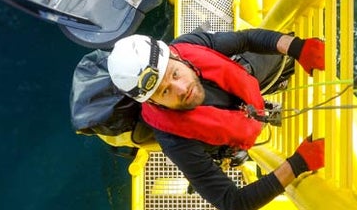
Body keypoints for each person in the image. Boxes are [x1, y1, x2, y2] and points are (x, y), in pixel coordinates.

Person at [107, 29, 327, 210]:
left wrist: (298, 47)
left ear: (176, 56)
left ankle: (277, 81)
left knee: (279, 50)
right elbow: (232, 202)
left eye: (175, 74)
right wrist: (298, 163)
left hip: (236, 90)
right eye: (165, 92)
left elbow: (245, 40)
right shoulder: (176, 142)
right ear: (153, 103)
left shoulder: (189, 45)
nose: (182, 89)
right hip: (216, 135)